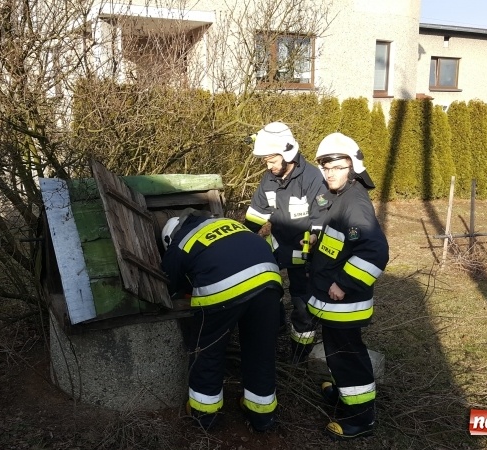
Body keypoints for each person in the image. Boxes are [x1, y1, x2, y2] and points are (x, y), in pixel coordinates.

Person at [298, 132, 390, 439]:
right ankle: (344, 393)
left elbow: (375, 251)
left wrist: (344, 283)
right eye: (325, 166)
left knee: (349, 357)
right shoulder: (336, 196)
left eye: (337, 166)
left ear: (353, 167)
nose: (329, 172)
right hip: (332, 300)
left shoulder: (355, 203)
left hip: (344, 303)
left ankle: (361, 419)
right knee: (338, 354)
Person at [160, 208, 283, 432]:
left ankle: (204, 416)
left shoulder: (181, 241)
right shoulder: (226, 223)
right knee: (261, 351)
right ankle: (262, 417)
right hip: (269, 281)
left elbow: (169, 282)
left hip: (223, 289)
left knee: (208, 350)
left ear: (170, 237)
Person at [243, 121, 327, 359]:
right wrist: (242, 239)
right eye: (265, 161)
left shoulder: (312, 178)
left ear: (287, 154)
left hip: (306, 251)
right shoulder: (269, 179)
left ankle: (299, 355)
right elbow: (256, 214)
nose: (267, 166)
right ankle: (275, 326)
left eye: (271, 160)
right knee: (265, 287)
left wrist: (314, 237)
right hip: (279, 245)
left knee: (302, 304)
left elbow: (322, 216)